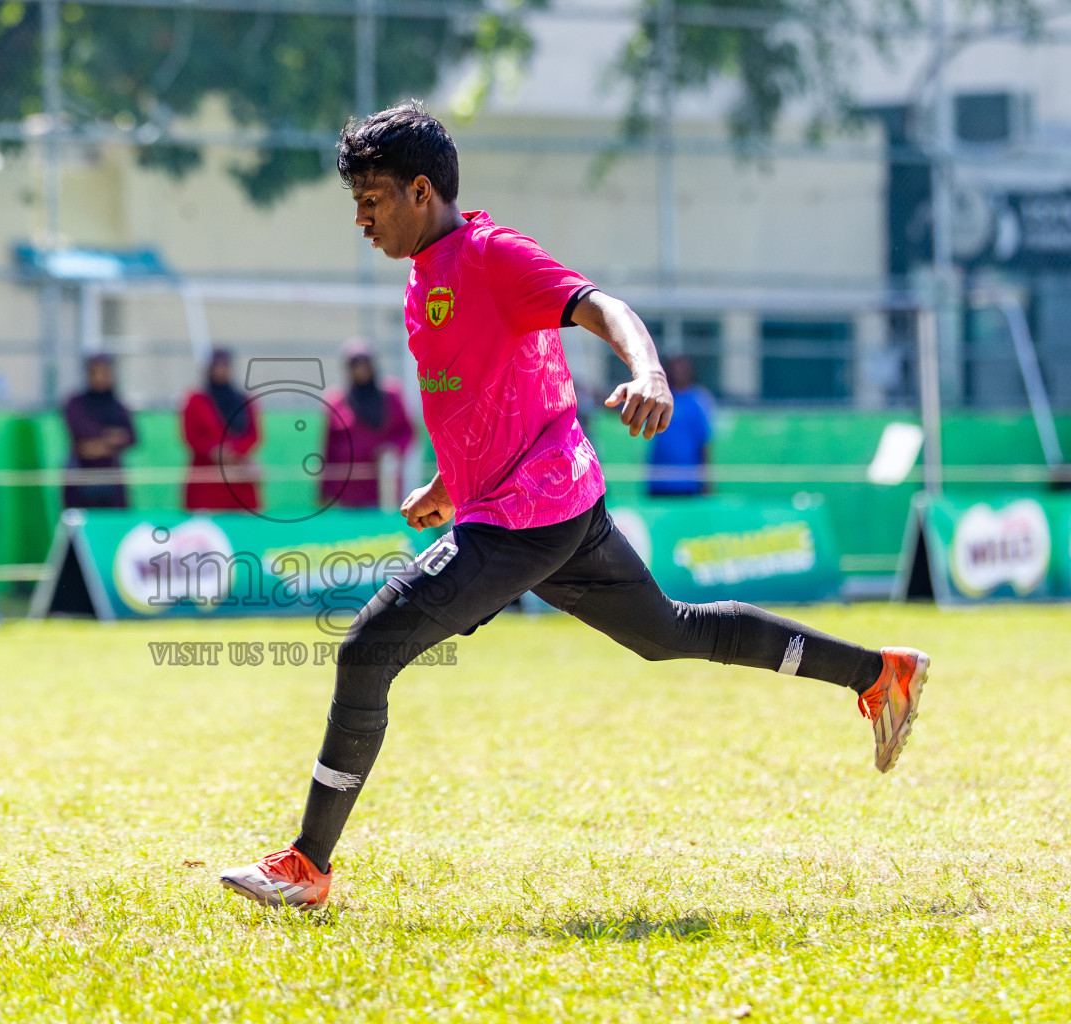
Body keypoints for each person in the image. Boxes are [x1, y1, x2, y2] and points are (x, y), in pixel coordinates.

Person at [219, 103, 930, 910]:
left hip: (529, 512)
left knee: (366, 647)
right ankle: (883, 674)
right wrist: (448, 484)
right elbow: (486, 393)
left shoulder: (492, 255)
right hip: (550, 506)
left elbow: (602, 305)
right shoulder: (427, 275)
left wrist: (650, 372)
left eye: (372, 199)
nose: (361, 218)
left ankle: (308, 866)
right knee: (670, 634)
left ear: (421, 191)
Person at [320, 344, 415, 509]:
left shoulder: (390, 395)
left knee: (383, 532)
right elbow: (329, 448)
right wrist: (324, 488)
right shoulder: (336, 400)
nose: (360, 370)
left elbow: (406, 431)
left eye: (364, 364)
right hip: (347, 489)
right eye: (354, 365)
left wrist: (391, 449)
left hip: (383, 485)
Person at [181, 349, 261, 512]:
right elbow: (191, 436)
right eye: (217, 366)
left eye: (225, 366)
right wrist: (213, 451)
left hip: (238, 478)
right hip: (207, 478)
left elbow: (254, 435)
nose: (222, 370)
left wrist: (235, 452)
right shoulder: (196, 400)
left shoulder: (243, 400)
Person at [62, 354, 137, 509]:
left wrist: (97, 445)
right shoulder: (76, 403)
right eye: (95, 373)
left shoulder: (117, 406)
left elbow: (132, 437)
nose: (100, 378)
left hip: (112, 483)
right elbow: (82, 433)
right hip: (81, 481)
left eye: (104, 372)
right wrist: (111, 439)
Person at [646, 354, 714, 497]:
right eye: (675, 367)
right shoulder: (657, 398)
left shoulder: (698, 400)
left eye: (683, 367)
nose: (679, 372)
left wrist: (706, 481)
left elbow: (704, 444)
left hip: (688, 482)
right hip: (659, 479)